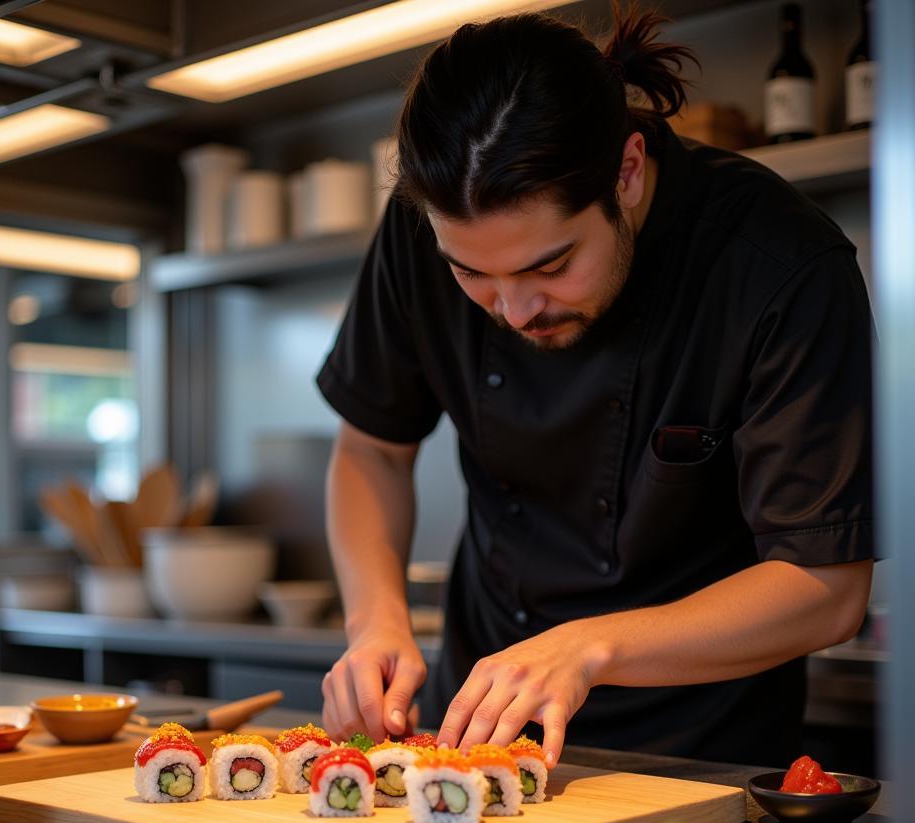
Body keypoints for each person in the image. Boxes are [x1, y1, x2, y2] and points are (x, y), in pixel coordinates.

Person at [315, 6, 874, 769]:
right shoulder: (425, 228)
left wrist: (589, 646)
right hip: (476, 734)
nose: (513, 311)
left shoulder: (779, 263)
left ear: (628, 170)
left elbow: (826, 587)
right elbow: (373, 449)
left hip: (699, 752)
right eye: (472, 275)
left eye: (548, 266)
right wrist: (374, 623)